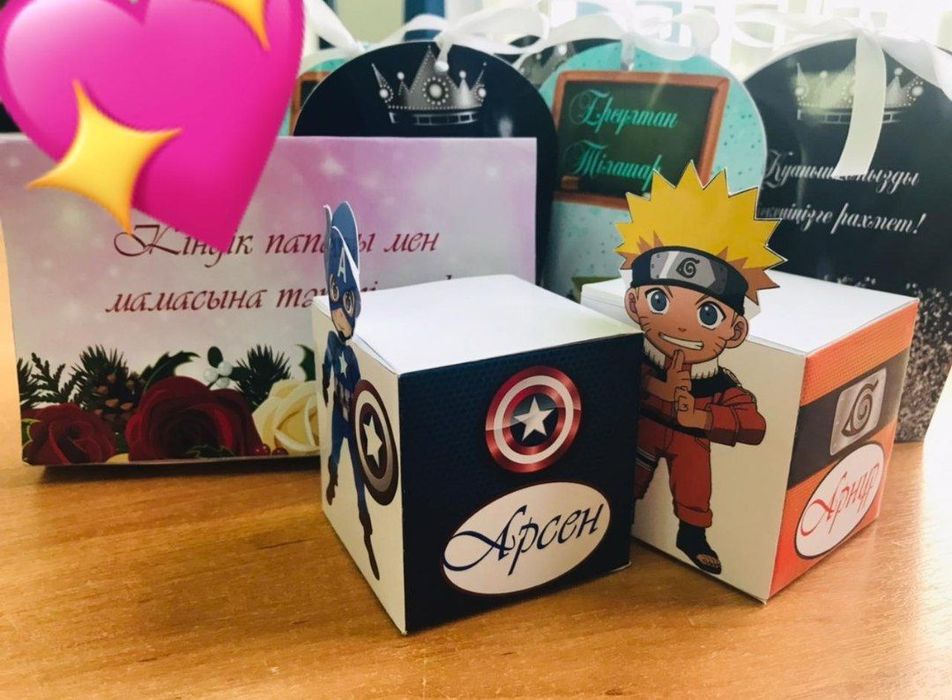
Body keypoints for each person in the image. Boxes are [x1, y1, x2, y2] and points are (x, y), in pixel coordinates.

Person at [616, 163, 782, 575]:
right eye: (659, 301)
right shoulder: (632, 356)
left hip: (691, 438)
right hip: (643, 431)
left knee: (694, 479)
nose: (680, 324)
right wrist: (657, 389)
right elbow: (612, 388)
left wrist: (702, 417)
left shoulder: (719, 383)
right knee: (624, 474)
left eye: (708, 314)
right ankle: (617, 518)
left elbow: (755, 426)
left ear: (736, 330)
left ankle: (691, 534)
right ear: (634, 304)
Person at [321, 202, 378, 579]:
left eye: (346, 305)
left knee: (360, 478)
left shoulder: (355, 354)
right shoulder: (332, 339)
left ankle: (368, 534)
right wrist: (326, 387)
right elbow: (327, 367)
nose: (341, 316)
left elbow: (362, 391)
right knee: (333, 457)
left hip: (352, 420)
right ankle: (331, 487)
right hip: (339, 417)